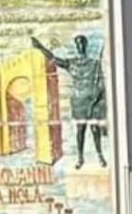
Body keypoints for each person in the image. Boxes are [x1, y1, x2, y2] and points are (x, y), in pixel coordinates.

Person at [30, 34, 107, 169]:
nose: (81, 45)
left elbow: (101, 83)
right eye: (78, 43)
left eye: (82, 43)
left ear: (86, 45)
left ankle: (100, 155)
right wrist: (41, 48)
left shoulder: (94, 64)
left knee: (95, 130)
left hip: (92, 100)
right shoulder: (72, 63)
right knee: (80, 130)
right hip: (79, 102)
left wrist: (97, 97)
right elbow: (54, 59)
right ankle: (80, 157)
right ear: (76, 46)